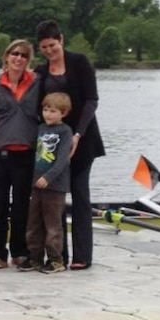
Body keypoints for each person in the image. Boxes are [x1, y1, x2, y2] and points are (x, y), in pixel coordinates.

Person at [35, 20, 105, 270]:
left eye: (52, 45)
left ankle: (82, 255)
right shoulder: (41, 72)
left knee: (80, 194)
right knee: (55, 199)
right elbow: (36, 108)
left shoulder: (79, 62)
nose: (49, 51)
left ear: (61, 40)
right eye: (44, 47)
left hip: (82, 140)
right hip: (53, 144)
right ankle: (58, 254)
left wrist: (77, 134)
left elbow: (91, 100)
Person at [0, 40, 40, 269]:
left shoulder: (37, 84)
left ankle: (21, 251)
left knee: (22, 207)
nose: (18, 58)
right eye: (15, 54)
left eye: (24, 56)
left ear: (28, 61)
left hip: (26, 154)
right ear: (6, 57)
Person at [21, 92, 73, 274]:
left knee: (52, 224)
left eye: (53, 111)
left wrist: (48, 177)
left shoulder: (65, 131)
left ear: (63, 113)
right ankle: (35, 257)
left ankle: (55, 259)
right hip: (37, 186)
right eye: (45, 110)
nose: (48, 114)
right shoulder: (41, 128)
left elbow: (62, 160)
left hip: (55, 187)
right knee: (33, 222)